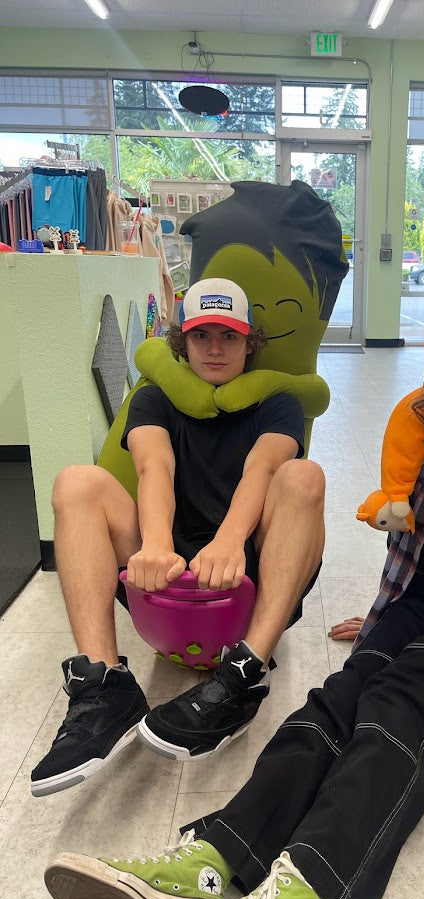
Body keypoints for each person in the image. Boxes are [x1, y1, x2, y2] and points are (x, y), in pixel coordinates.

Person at [44, 298, 424, 899]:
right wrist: (378, 622)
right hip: (423, 597)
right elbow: (412, 558)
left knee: (405, 696)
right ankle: (219, 856)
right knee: (338, 697)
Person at [31, 277, 325, 798]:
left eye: (229, 336)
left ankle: (246, 672)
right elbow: (154, 466)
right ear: (181, 341)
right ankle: (105, 687)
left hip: (246, 570)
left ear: (249, 342)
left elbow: (262, 468)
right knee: (75, 481)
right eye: (201, 335)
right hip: (169, 570)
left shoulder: (277, 402)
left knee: (304, 477)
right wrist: (156, 544)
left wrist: (232, 540)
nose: (214, 348)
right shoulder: (155, 398)